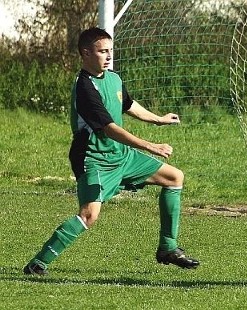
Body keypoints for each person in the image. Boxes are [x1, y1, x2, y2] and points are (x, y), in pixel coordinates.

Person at [23, 27, 199, 276]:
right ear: (86, 53)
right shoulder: (84, 87)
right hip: (94, 159)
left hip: (121, 156)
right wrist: (151, 145)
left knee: (174, 178)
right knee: (89, 215)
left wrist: (158, 119)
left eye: (110, 51)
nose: (108, 56)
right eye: (102, 51)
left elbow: (128, 104)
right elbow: (109, 129)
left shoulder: (113, 78)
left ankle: (168, 248)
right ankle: (38, 263)